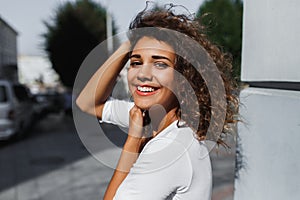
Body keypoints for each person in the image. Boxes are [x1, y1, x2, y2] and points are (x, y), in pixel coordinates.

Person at [76, 3, 238, 200]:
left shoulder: (169, 149)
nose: (143, 74)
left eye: (160, 64)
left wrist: (133, 141)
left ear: (184, 78)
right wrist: (130, 42)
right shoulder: (154, 119)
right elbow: (87, 103)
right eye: (136, 62)